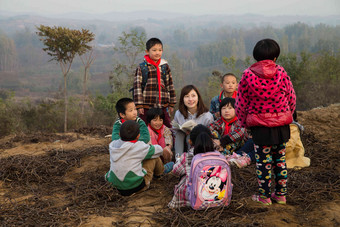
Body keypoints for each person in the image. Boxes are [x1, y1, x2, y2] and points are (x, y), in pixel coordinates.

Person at [235, 38, 296, 205]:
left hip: (260, 127)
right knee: (280, 160)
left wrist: (244, 122)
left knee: (263, 163)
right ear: (275, 58)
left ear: (256, 57)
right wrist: (288, 113)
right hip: (281, 126)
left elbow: (240, 103)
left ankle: (265, 197)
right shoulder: (282, 73)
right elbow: (291, 97)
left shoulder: (247, 75)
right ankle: (281, 195)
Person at [105, 120, 173, 196]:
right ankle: (161, 172)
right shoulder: (139, 147)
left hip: (115, 187)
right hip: (136, 187)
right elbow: (159, 150)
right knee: (153, 157)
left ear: (119, 134)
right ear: (138, 136)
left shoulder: (113, 145)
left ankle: (117, 181)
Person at [168, 124, 215, 208]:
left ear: (190, 141)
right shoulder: (217, 155)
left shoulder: (187, 157)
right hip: (214, 195)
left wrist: (179, 160)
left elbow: (176, 171)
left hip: (192, 196)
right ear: (211, 140)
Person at [133, 37, 176, 128]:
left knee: (167, 127)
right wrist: (139, 105)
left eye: (160, 50)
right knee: (143, 127)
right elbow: (137, 88)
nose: (157, 52)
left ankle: (167, 142)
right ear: (147, 51)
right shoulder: (143, 67)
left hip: (163, 105)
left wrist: (171, 103)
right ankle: (143, 142)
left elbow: (170, 85)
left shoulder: (164, 66)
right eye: (154, 50)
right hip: (146, 106)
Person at [209, 97, 255, 168]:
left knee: (251, 141)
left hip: (239, 148)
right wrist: (217, 142)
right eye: (224, 108)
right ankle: (222, 155)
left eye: (230, 108)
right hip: (220, 148)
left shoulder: (240, 121)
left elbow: (240, 133)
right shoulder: (218, 122)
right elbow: (210, 129)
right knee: (212, 133)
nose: (226, 111)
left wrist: (221, 142)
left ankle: (229, 156)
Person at [172, 85, 214, 155]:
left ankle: (191, 157)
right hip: (183, 142)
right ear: (182, 99)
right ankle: (178, 159)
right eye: (187, 96)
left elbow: (210, 134)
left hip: (200, 145)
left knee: (191, 134)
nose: (190, 99)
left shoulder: (207, 115)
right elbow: (175, 131)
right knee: (179, 133)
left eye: (193, 96)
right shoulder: (178, 113)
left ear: (198, 97)